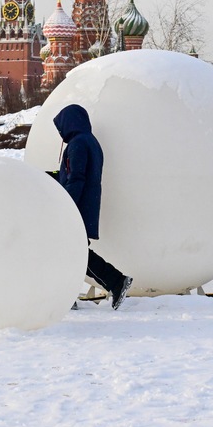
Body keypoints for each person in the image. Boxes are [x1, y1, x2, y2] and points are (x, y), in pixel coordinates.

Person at [53, 104, 132, 309]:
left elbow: (76, 178)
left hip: (77, 207)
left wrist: (66, 204)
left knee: (72, 251)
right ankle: (69, 296)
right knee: (72, 251)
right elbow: (76, 174)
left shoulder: (78, 144)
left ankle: (116, 281)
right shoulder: (90, 142)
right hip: (87, 204)